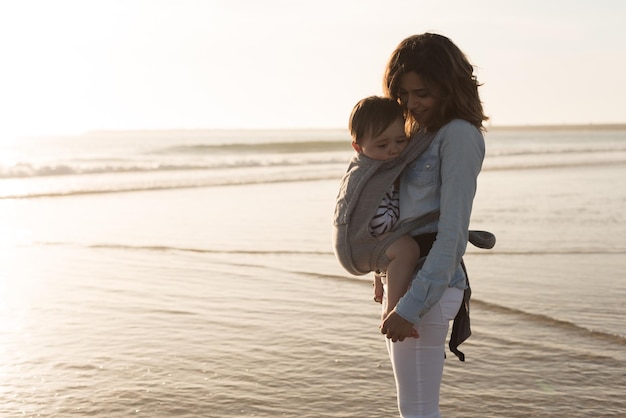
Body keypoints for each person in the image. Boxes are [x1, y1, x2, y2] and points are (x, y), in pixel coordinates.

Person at [378, 33, 489, 418]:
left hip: (430, 290)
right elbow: (401, 214)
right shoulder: (418, 135)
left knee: (419, 409)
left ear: (448, 86)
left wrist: (410, 307)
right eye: (404, 95)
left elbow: (453, 233)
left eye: (422, 93)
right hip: (408, 283)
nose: (411, 104)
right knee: (413, 407)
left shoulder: (458, 136)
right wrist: (383, 274)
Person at [347, 96, 422, 319]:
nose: (393, 149)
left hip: (380, 236)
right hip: (371, 237)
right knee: (407, 250)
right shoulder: (365, 173)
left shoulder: (384, 166)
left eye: (401, 141)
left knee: (399, 243)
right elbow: (366, 225)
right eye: (382, 144)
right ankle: (394, 311)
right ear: (358, 148)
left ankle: (381, 283)